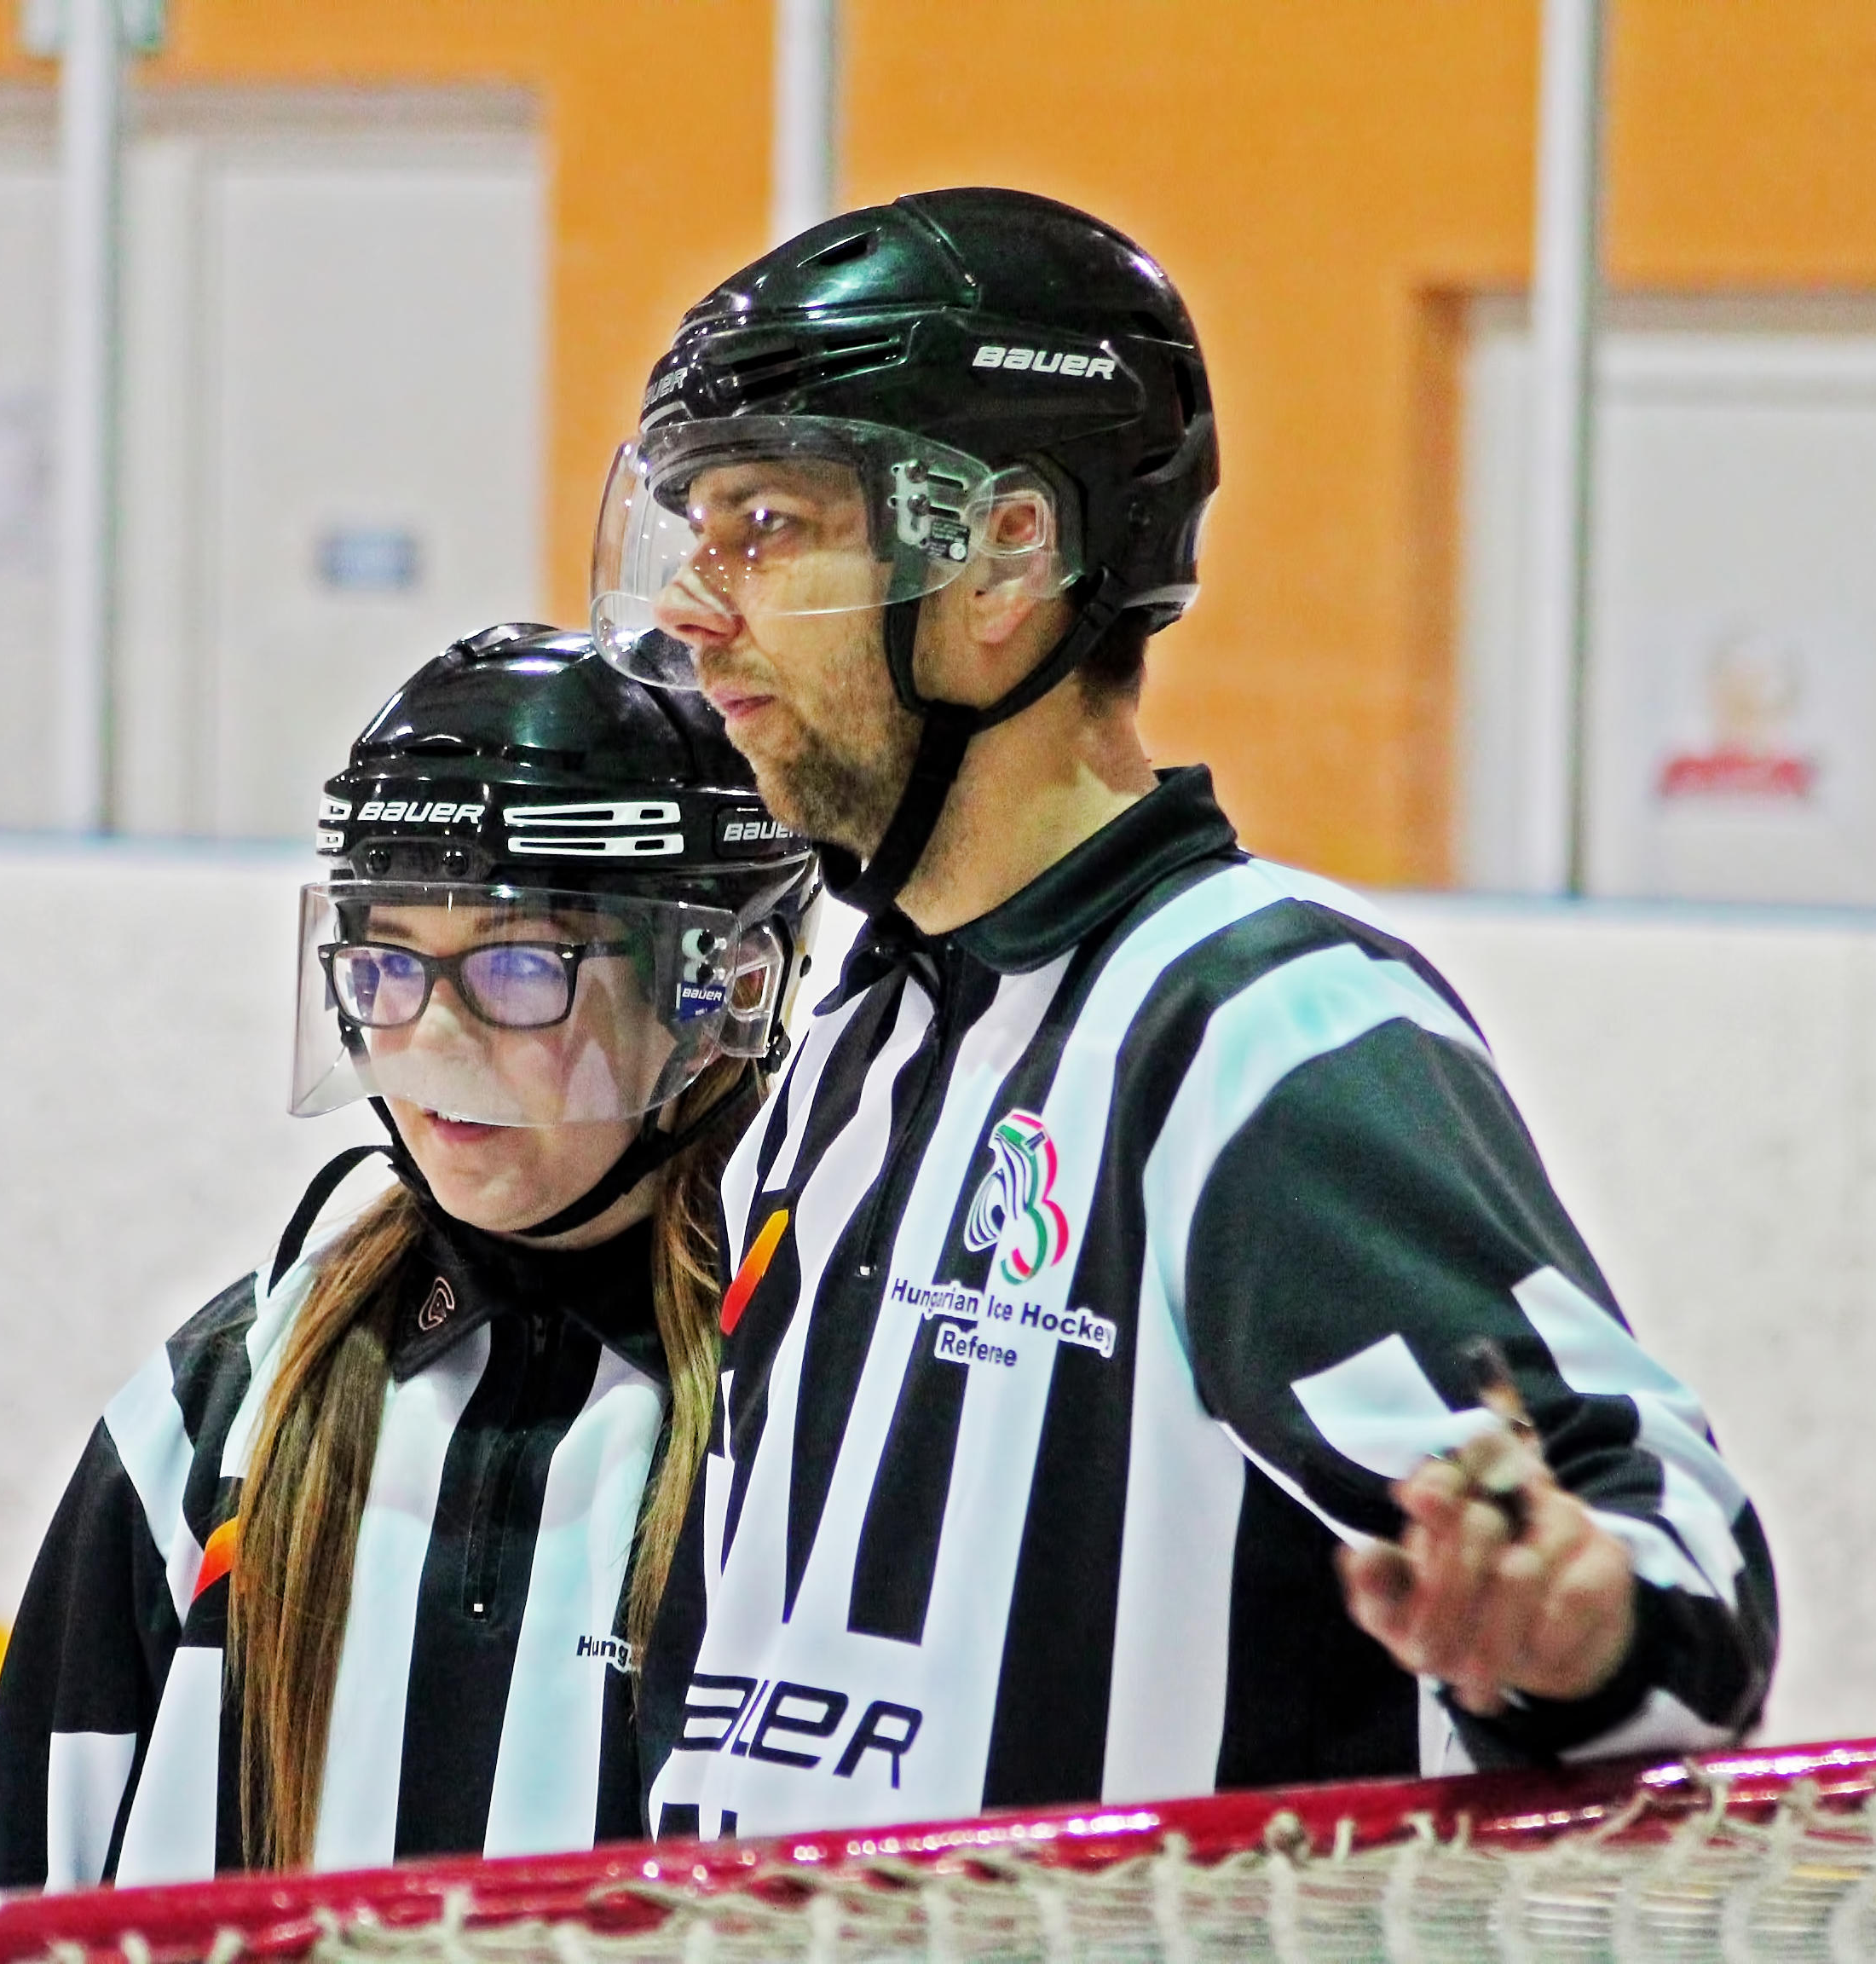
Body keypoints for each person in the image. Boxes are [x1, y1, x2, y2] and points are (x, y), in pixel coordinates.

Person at [592, 189, 1779, 1838]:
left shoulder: (1261, 1031)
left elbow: (1682, 1570)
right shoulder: (851, 1044)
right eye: (694, 530)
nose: (692, 607)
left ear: (1007, 553)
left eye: (770, 524)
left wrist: (1572, 1612)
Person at [0, 625, 818, 1892]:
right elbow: (18, 1889)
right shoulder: (216, 1412)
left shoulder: (810, 1417)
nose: (433, 1041)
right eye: (387, 964)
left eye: (520, 965)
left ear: (721, 988)